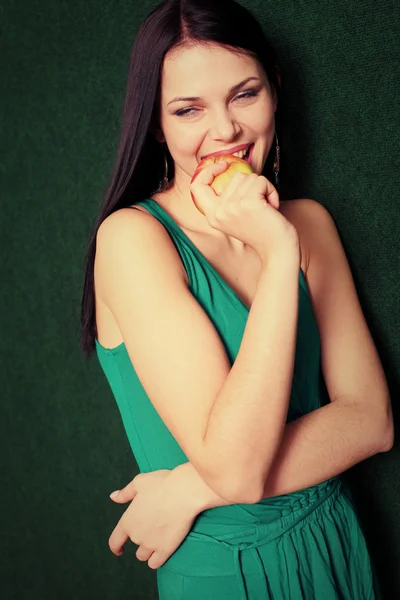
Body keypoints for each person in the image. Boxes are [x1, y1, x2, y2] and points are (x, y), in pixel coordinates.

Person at [80, 0, 394, 598]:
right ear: (156, 124)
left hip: (335, 540)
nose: (223, 130)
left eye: (244, 95)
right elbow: (237, 469)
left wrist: (190, 488)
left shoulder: (311, 224)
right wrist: (278, 256)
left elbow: (371, 421)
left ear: (274, 93)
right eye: (188, 109)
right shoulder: (132, 240)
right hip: (228, 570)